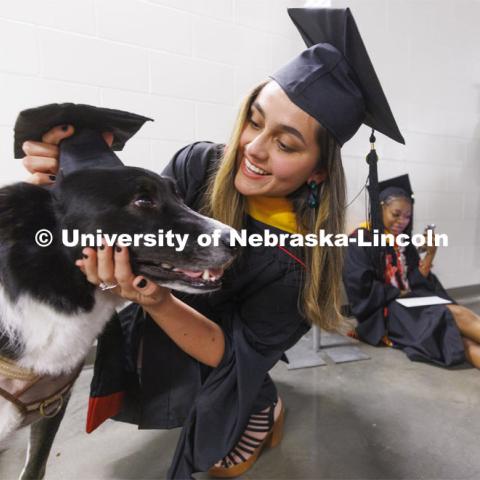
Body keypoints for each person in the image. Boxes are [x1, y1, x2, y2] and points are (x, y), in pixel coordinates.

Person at [19, 8, 405, 480]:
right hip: (163, 318)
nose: (254, 149)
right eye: (254, 121)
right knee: (159, 362)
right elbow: (131, 214)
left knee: (233, 376)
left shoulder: (301, 263)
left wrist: (156, 298)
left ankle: (262, 404)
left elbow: (233, 353)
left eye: (286, 145)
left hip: (220, 348)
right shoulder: (199, 164)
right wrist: (67, 179)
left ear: (318, 170)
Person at [343, 174, 480, 369]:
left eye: (407, 216)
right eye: (396, 214)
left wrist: (430, 254)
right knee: (458, 317)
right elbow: (360, 288)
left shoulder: (403, 242)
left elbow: (417, 279)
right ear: (380, 208)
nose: (402, 221)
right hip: (386, 311)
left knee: (461, 336)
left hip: (412, 302)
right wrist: (398, 292)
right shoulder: (361, 240)